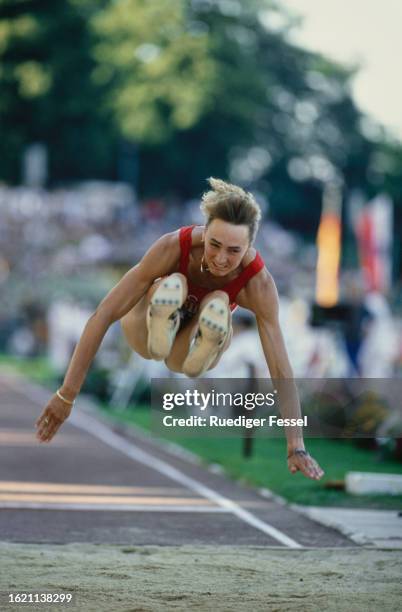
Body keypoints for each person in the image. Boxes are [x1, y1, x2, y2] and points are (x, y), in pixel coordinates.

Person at [35, 178, 324, 480]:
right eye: (214, 244)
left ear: (250, 246)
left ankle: (204, 327)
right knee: (171, 288)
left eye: (234, 251)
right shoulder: (173, 247)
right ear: (204, 230)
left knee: (218, 301)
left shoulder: (258, 284)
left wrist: (297, 445)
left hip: (187, 349)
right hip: (144, 332)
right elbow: (104, 313)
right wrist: (66, 394)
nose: (221, 259)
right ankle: (164, 309)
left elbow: (279, 366)